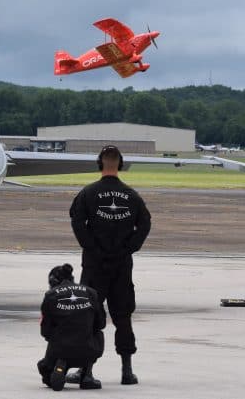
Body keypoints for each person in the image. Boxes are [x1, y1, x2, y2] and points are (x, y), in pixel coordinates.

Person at [68, 145, 151, 385]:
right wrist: (128, 248)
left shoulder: (88, 193)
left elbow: (76, 221)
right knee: (123, 316)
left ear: (99, 163)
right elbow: (145, 224)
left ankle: (86, 371)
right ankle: (127, 371)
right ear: (121, 164)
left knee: (90, 317)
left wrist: (91, 246)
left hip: (95, 266)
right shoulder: (132, 196)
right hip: (121, 266)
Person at [37, 263, 105, 391]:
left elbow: (45, 330)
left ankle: (59, 365)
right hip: (88, 349)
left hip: (61, 349)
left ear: (52, 281)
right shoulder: (91, 292)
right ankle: (87, 374)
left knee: (45, 370)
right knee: (98, 333)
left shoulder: (50, 296)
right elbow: (100, 323)